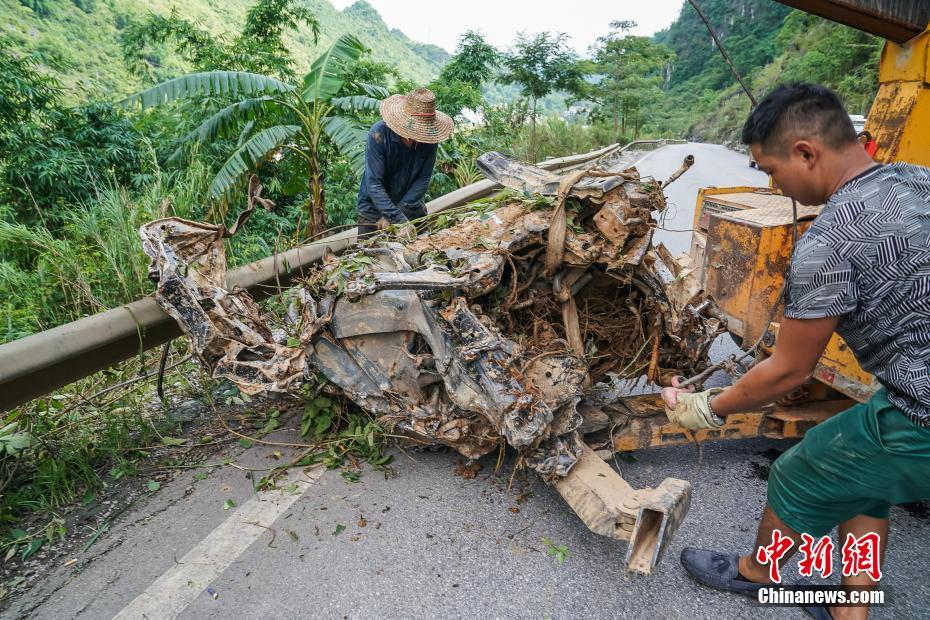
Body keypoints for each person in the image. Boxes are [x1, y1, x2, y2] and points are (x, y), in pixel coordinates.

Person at [663, 83, 930, 620]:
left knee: (796, 473)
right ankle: (851, 608)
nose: (773, 183)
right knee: (860, 474)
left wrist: (706, 407)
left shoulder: (828, 242)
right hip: (912, 385)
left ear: (806, 153)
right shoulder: (917, 180)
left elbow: (789, 370)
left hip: (920, 410)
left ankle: (756, 573)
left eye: (770, 168)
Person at [356, 87, 454, 239]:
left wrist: (397, 216)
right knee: (369, 250)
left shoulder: (430, 138)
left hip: (410, 205)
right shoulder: (379, 134)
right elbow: (373, 182)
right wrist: (396, 218)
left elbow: (423, 180)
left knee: (424, 247)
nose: (416, 137)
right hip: (374, 208)